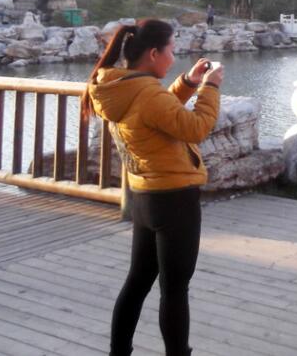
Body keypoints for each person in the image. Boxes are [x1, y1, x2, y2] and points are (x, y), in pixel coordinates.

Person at [81, 18, 223, 356]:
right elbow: (195, 127)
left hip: (144, 197)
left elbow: (157, 112)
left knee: (137, 282)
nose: (174, 57)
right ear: (154, 53)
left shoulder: (119, 87)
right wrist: (210, 88)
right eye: (171, 50)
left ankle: (119, 352)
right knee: (174, 289)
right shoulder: (146, 94)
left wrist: (188, 83)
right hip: (175, 199)